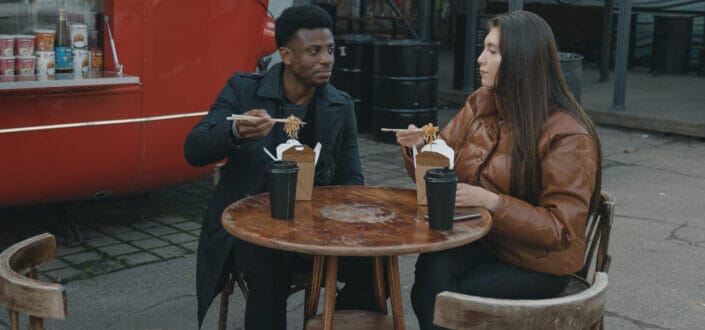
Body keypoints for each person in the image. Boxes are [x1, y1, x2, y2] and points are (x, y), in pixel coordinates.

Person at [395, 11, 602, 330]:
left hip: (541, 264)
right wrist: (421, 149)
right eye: (484, 48)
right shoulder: (482, 104)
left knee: (451, 299)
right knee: (430, 271)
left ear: (522, 60)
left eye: (492, 51)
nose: (480, 59)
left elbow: (561, 230)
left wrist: (492, 202)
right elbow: (443, 174)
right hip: (489, 241)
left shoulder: (567, 135)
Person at [184, 5, 375, 329]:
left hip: (315, 228)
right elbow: (193, 149)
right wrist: (234, 132)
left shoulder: (338, 105)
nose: (326, 59)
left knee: (374, 266)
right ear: (286, 55)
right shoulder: (244, 90)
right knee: (269, 269)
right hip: (250, 229)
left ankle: (333, 322)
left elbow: (351, 178)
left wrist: (353, 220)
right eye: (313, 51)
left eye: (329, 49)